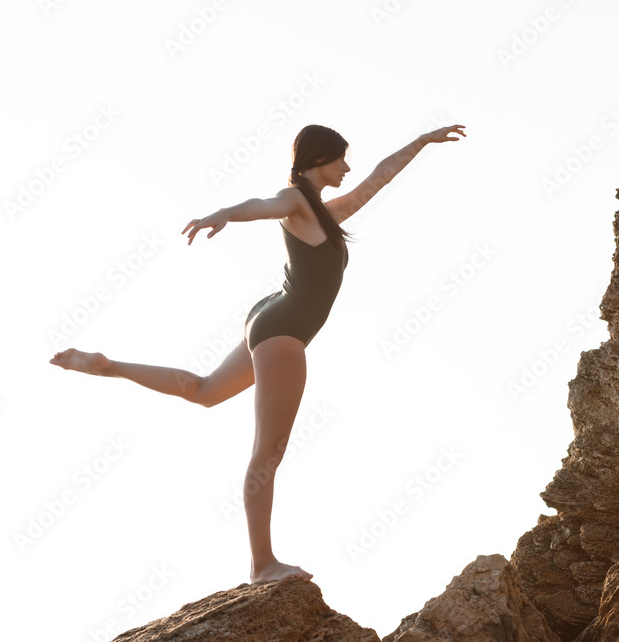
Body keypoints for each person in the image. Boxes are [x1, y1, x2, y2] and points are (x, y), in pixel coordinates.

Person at [50, 122, 467, 584]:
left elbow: (380, 176)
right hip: (284, 329)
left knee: (204, 391)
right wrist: (224, 213)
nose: (348, 167)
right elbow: (264, 206)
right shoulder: (297, 201)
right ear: (316, 160)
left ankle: (107, 366)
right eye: (340, 158)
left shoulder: (326, 214)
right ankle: (262, 565)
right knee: (268, 451)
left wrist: (422, 141)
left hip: (269, 317)